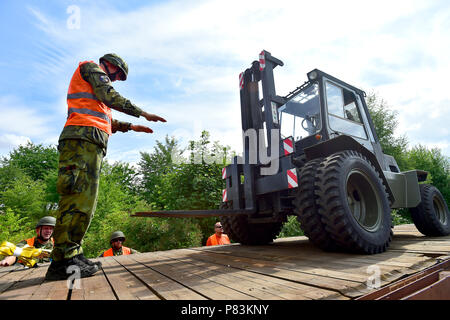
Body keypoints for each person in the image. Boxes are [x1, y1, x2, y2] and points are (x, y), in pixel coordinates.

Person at [45, 54, 166, 281]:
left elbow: (105, 118)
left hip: (89, 144)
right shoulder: (91, 68)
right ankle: (62, 262)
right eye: (118, 74)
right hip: (80, 141)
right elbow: (108, 95)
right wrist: (142, 112)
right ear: (109, 64)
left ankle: (73, 253)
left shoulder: (95, 93)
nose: (118, 79)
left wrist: (132, 126)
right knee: (76, 198)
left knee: (86, 202)